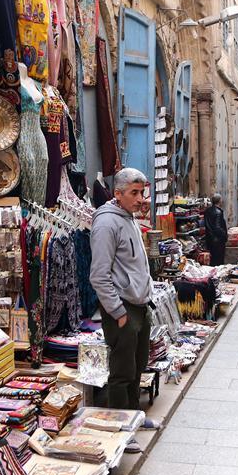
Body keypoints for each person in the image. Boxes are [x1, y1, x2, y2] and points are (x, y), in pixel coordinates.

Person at [89, 168, 159, 451]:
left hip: (139, 307)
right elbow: (99, 275)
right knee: (121, 373)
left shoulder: (127, 217)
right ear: (117, 194)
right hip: (123, 310)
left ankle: (133, 419)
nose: (140, 198)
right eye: (134, 193)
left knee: (137, 367)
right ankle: (120, 432)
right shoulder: (107, 223)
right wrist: (118, 313)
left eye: (142, 192)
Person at [203, 193, 228, 265]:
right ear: (220, 201)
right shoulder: (218, 212)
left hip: (209, 239)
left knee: (212, 260)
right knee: (218, 260)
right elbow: (217, 227)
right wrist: (224, 234)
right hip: (217, 240)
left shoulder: (207, 211)